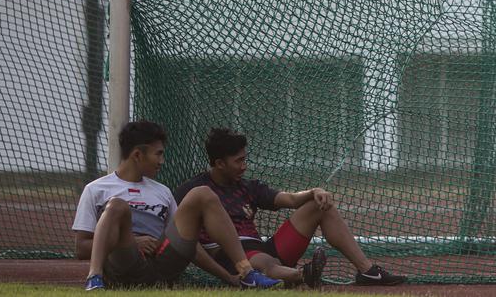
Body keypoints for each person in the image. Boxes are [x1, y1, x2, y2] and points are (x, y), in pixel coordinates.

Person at [173, 127, 406, 287]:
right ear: (219, 163)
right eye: (239, 161)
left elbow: (291, 200)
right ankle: (302, 276)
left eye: (246, 159)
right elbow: (181, 236)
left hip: (263, 249)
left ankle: (367, 272)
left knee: (318, 206)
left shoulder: (247, 186)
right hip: (236, 259)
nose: (245, 166)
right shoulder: (193, 192)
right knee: (263, 262)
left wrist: (315, 192)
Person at [73, 119, 282, 291]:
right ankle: (95, 279)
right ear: (137, 155)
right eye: (159, 154)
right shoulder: (96, 189)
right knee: (117, 206)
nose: (162, 161)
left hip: (162, 267)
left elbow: (189, 245)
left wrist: (228, 277)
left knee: (201, 193)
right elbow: (81, 248)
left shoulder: (162, 191)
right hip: (125, 265)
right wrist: (134, 243)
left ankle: (247, 273)